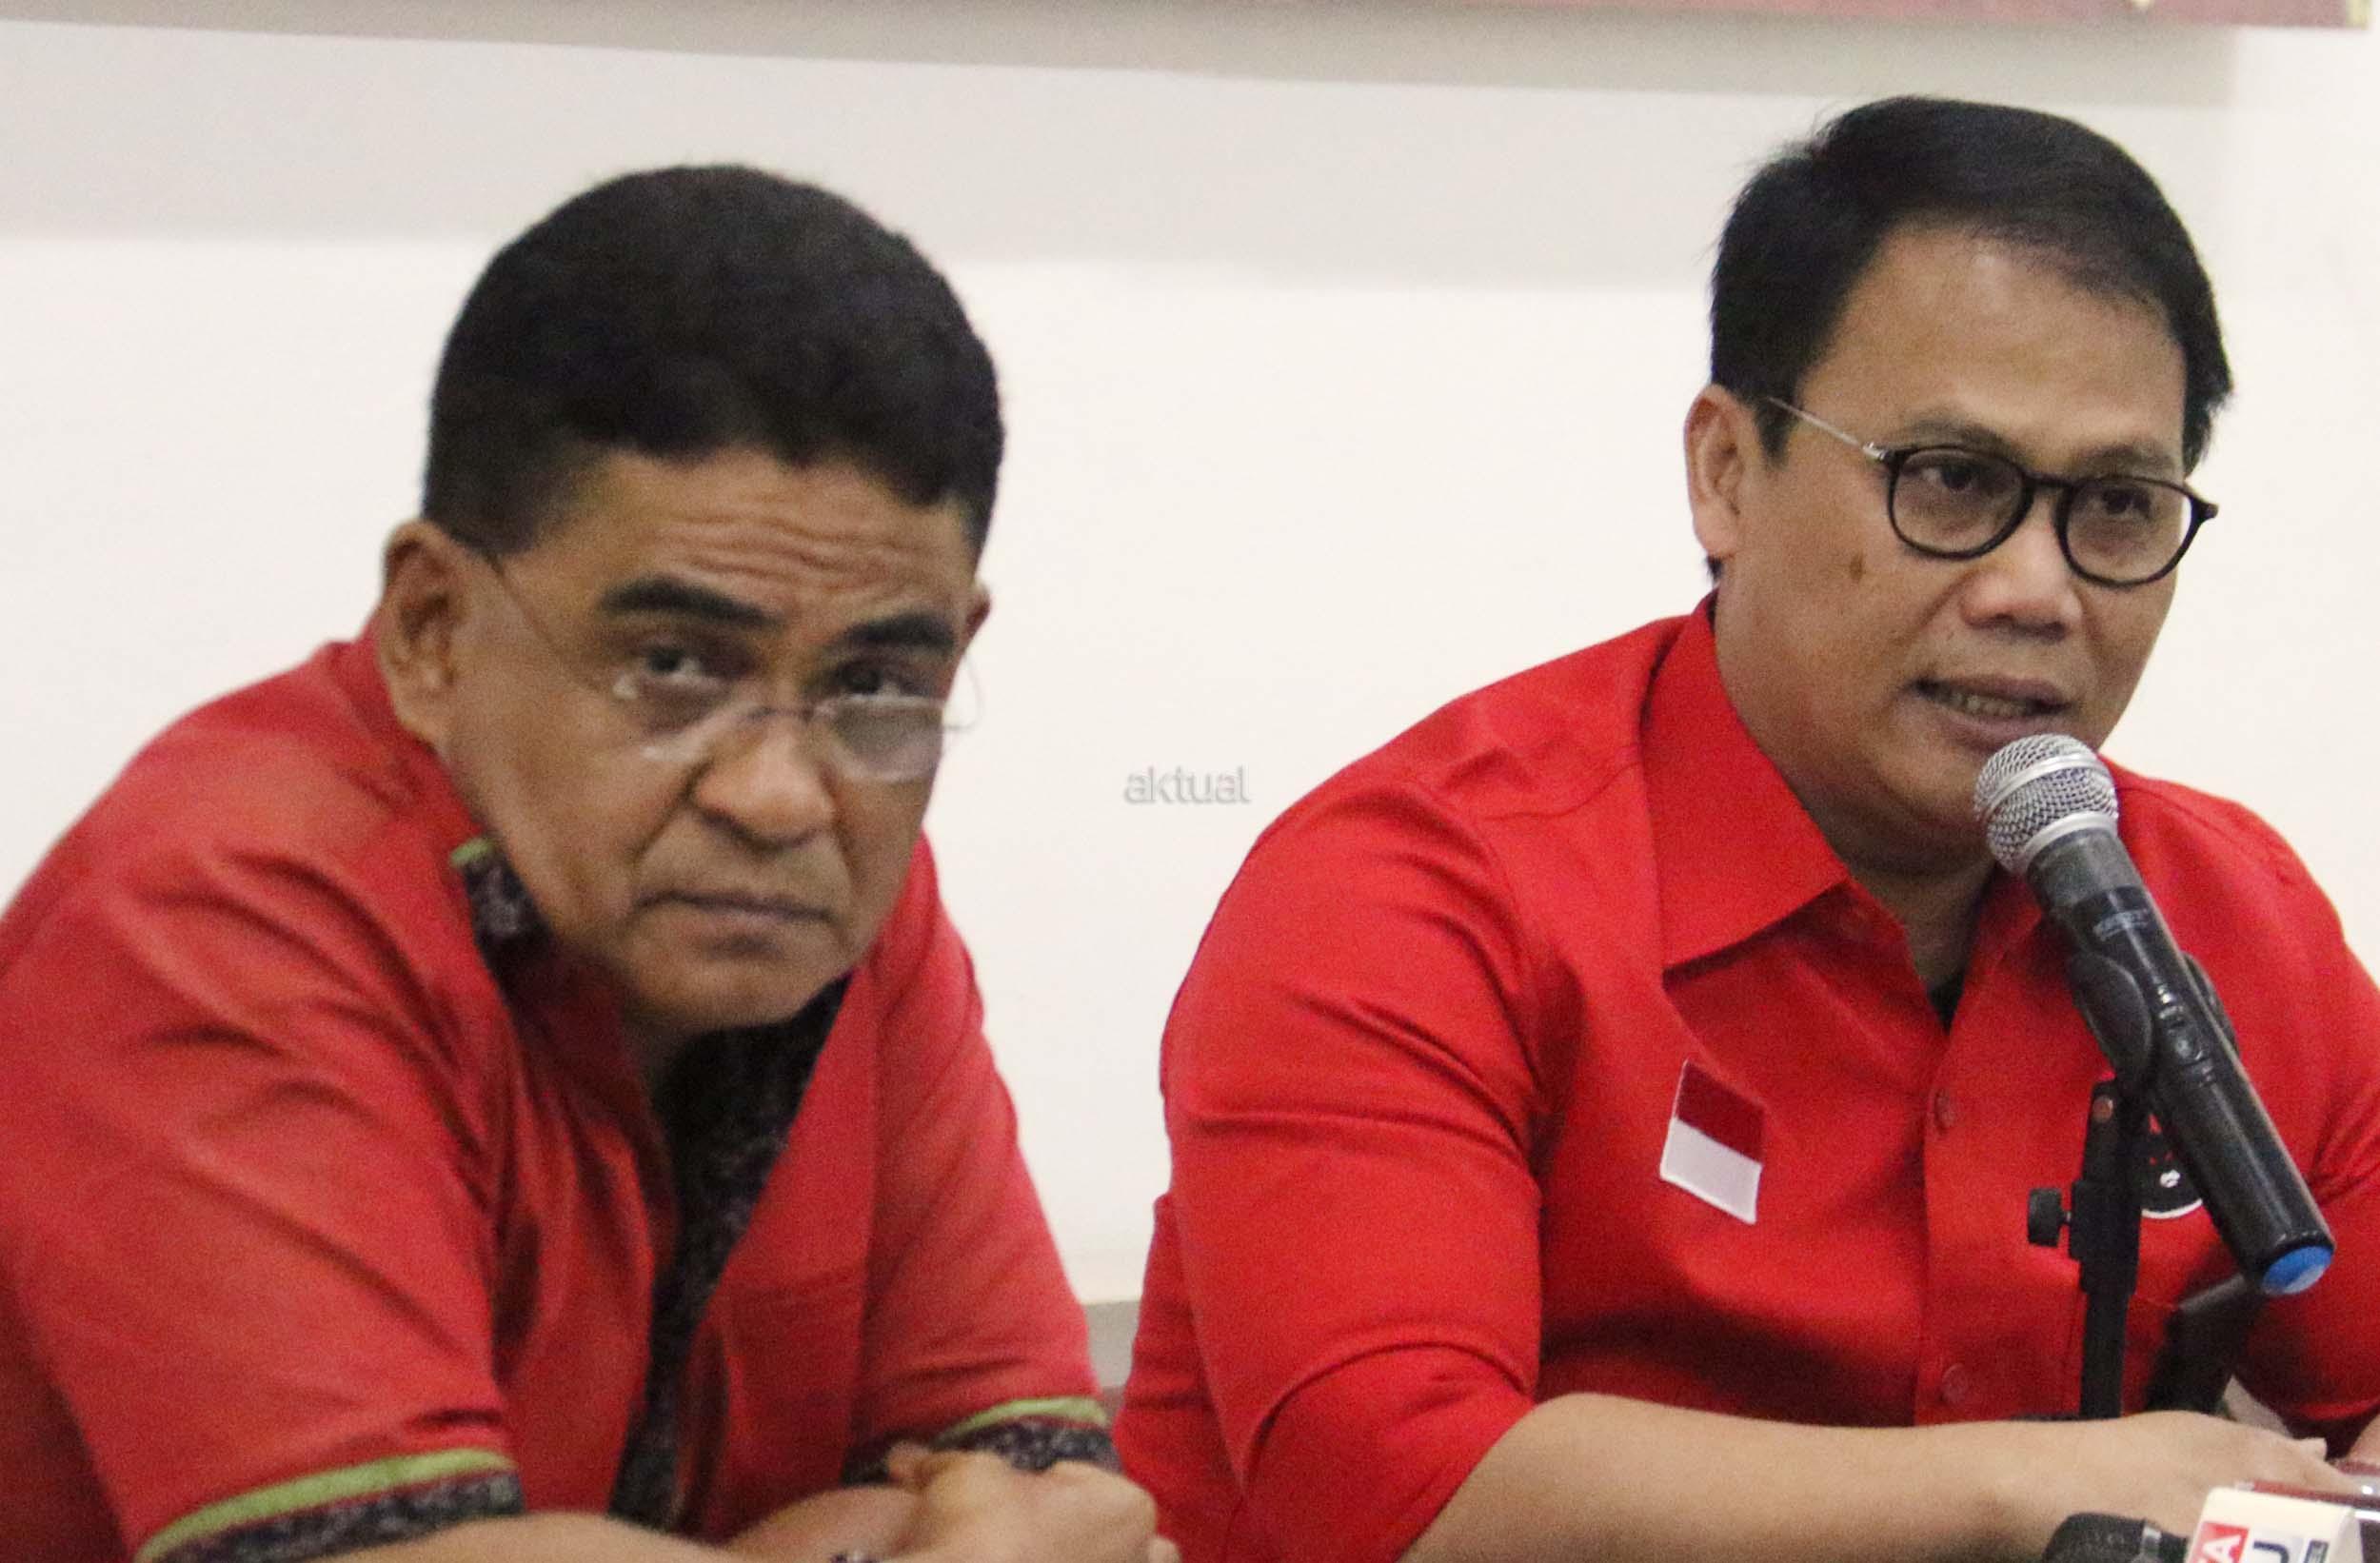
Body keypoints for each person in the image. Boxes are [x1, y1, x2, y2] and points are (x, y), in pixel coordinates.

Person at [1113, 96, 2380, 1563]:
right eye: (1951, 482)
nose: (2038, 590)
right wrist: (2031, 1487)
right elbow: (1400, 1496)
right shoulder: (1411, 891)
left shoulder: (2227, 915)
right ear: (1725, 472)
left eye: (2116, 505)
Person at [0, 166, 1167, 1563]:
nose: (778, 794)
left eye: (872, 684)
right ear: (432, 629)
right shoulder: (219, 906)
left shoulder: (835, 898)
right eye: (672, 665)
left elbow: (1058, 1509)